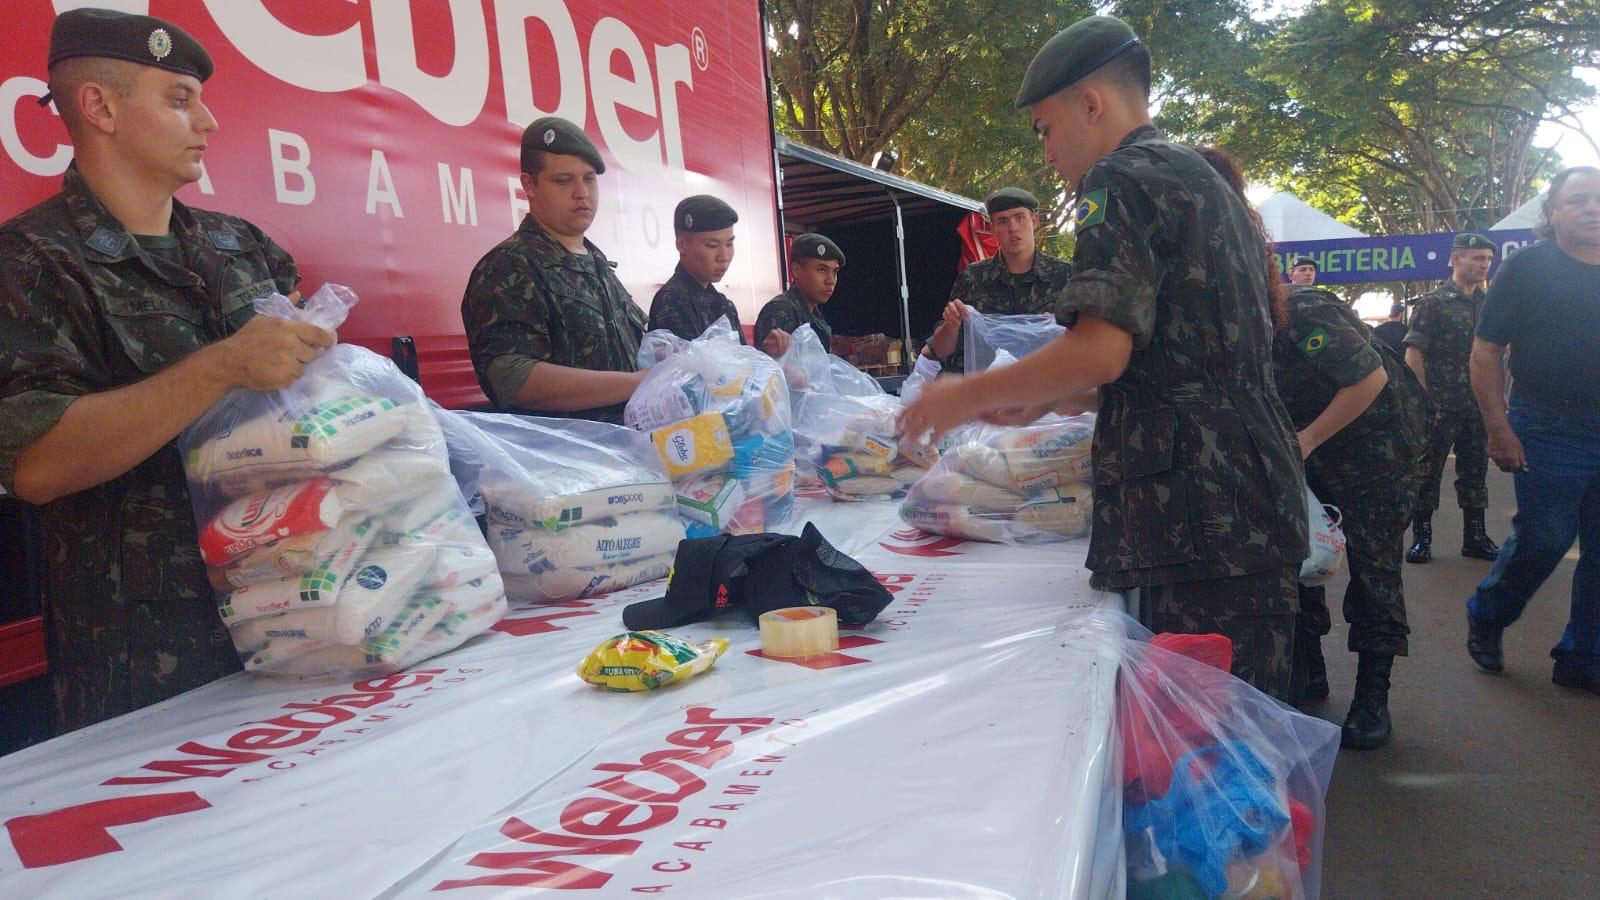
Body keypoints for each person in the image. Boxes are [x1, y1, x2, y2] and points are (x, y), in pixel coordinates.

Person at [899, 16, 1308, 700]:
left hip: (1197, 511)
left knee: (1206, 745)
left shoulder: (1120, 178)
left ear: (1092, 103)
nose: (1048, 154)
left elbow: (1102, 348)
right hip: (1240, 499)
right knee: (1239, 732)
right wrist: (1054, 395)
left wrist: (960, 395)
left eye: (1046, 129)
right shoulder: (1196, 179)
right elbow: (1183, 360)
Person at [0, 9, 334, 738]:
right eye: (180, 100)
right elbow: (36, 465)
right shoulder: (31, 263)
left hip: (301, 604)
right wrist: (219, 366)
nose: (207, 122)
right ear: (100, 107)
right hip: (151, 654)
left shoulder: (243, 247)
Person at [1196, 148, 1432, 747]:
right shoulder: (1217, 311)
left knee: (1373, 566)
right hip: (1303, 449)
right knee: (1300, 555)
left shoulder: (1301, 311)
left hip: (1378, 447)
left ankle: (1372, 696)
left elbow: (1369, 380)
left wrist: (1303, 441)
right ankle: (1310, 666)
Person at [1464, 166, 1600, 694]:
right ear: (1553, 213)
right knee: (1545, 539)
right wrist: (1498, 430)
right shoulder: (1526, 269)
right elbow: (1485, 354)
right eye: (1578, 200)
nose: (1592, 208)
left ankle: (1581, 657)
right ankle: (1489, 614)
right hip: (1548, 427)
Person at [461, 116, 647, 424]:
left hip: (628, 455)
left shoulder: (597, 266)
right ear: (529, 185)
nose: (582, 193)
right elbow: (513, 379)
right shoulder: (511, 265)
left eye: (589, 179)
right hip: (564, 461)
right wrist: (638, 383)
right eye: (564, 181)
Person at [1403, 232, 1501, 563]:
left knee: (1475, 471)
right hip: (1439, 407)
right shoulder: (1433, 303)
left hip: (1477, 407)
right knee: (1426, 472)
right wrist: (1423, 400)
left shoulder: (1488, 305)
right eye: (1477, 257)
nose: (1484, 265)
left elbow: (1499, 354)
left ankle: (1474, 537)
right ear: (1457, 258)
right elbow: (1414, 353)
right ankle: (1422, 538)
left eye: (1487, 259)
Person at [921, 187, 1073, 374]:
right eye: (1003, 221)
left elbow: (1088, 343)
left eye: (1019, 218)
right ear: (992, 229)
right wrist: (950, 326)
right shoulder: (973, 278)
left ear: (1034, 221)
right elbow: (939, 350)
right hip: (983, 393)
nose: (1012, 228)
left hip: (1045, 392)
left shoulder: (1065, 276)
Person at [647, 195, 745, 343]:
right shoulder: (672, 301)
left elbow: (742, 360)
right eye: (712, 246)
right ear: (682, 245)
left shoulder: (723, 305)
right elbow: (690, 363)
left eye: (729, 244)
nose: (724, 256)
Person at [754, 233, 843, 357]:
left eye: (835, 272)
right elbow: (768, 368)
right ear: (796, 270)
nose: (831, 280)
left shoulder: (814, 314)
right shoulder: (781, 310)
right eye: (822, 270)